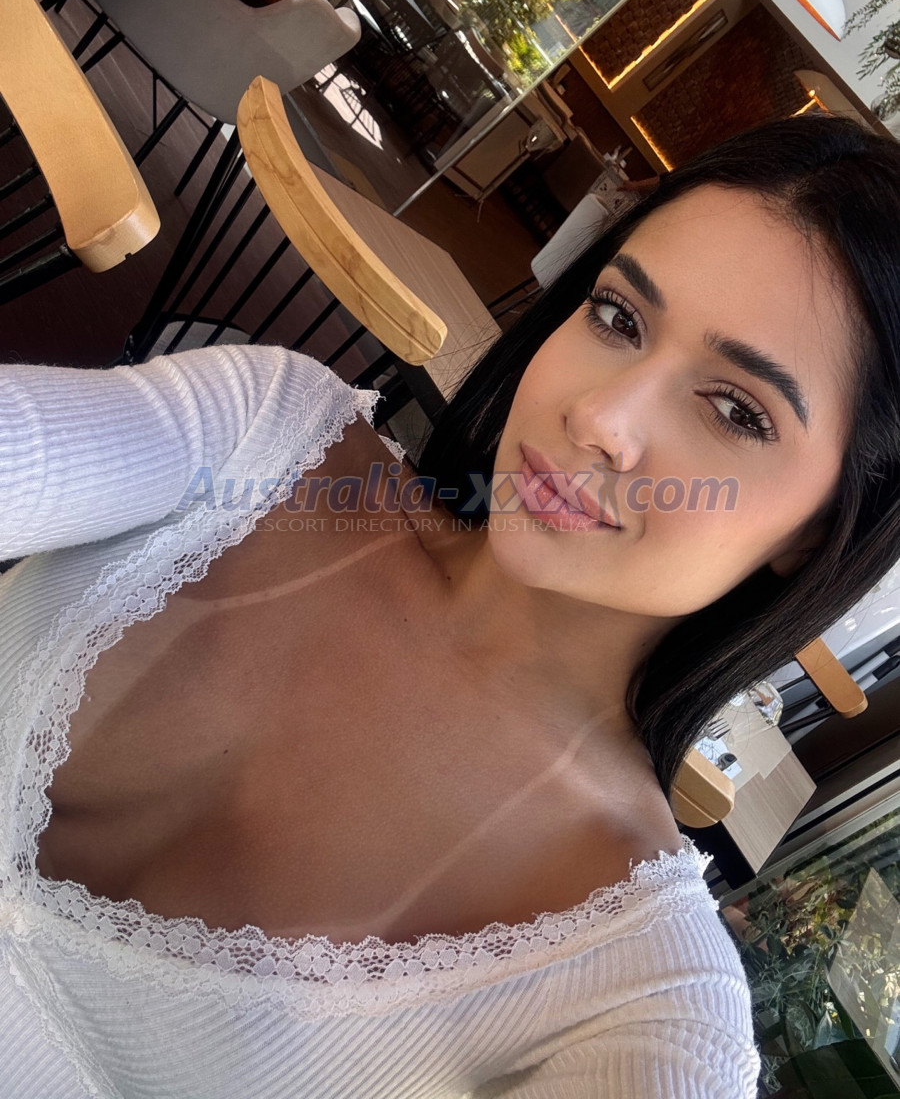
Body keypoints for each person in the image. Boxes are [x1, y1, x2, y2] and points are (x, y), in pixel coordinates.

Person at [2, 111, 899, 1097]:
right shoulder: (265, 431)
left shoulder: (642, 998)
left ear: (821, 532)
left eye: (736, 410)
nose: (601, 418)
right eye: (617, 317)